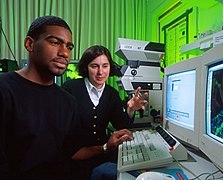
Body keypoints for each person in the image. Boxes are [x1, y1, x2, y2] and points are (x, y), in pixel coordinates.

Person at [0, 15, 133, 180]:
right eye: (55, 42)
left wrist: (106, 147)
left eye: (69, 47)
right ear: (30, 44)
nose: (64, 52)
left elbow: (73, 152)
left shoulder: (66, 101)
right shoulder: (5, 89)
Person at [61, 45, 148, 179]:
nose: (100, 72)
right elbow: (64, 141)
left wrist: (131, 109)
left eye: (105, 66)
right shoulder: (70, 89)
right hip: (76, 161)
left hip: (104, 156)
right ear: (86, 68)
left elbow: (121, 124)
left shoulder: (111, 93)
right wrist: (105, 147)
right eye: (94, 66)